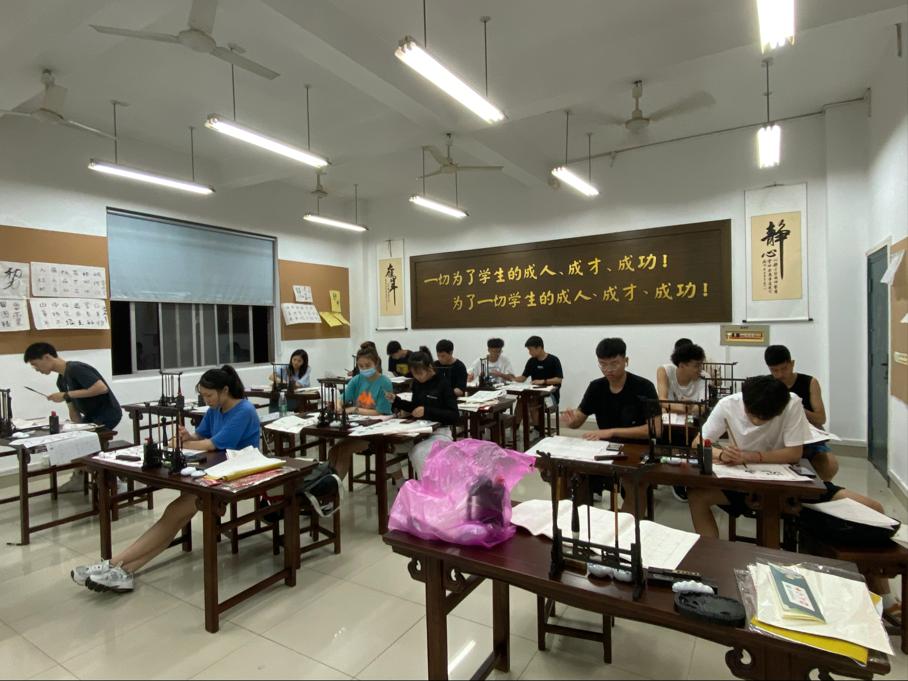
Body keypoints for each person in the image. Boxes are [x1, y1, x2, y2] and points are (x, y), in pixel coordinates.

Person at [688, 375, 900, 622]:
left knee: (873, 510)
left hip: (791, 484)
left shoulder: (791, 404)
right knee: (698, 495)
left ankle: (885, 598)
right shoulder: (729, 405)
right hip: (744, 483)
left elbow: (793, 453)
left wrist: (752, 456)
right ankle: (712, 564)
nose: (756, 421)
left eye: (764, 418)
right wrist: (722, 454)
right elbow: (698, 443)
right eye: (752, 414)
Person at [70, 365, 260, 593]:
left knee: (174, 513)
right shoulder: (215, 409)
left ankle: (112, 564)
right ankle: (124, 570)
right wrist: (187, 437)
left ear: (225, 390)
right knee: (175, 515)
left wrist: (183, 444)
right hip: (214, 471)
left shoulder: (244, 410)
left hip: (238, 475)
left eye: (209, 395)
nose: (206, 400)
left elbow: (212, 444)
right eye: (203, 395)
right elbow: (201, 436)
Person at [560, 338, 658, 507]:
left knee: (634, 485)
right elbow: (578, 421)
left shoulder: (644, 387)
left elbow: (655, 429)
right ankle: (580, 517)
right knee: (570, 475)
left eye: (614, 364)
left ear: (626, 361)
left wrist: (612, 432)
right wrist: (571, 421)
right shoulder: (596, 387)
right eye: (603, 364)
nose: (608, 370)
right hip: (603, 449)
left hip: (636, 449)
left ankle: (626, 524)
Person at [24, 342, 122, 493]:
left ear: (47, 357)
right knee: (72, 440)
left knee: (87, 443)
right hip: (90, 417)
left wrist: (66, 394)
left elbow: (101, 388)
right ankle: (79, 476)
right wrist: (75, 428)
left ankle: (112, 480)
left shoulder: (76, 368)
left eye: (35, 364)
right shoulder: (61, 381)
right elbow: (73, 410)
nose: (36, 369)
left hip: (107, 413)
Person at [764, 344, 838, 481]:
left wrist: (796, 408)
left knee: (830, 466)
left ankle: (819, 490)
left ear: (792, 364)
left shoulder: (809, 382)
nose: (780, 375)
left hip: (808, 437)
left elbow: (821, 419)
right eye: (774, 370)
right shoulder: (767, 385)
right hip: (777, 435)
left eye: (784, 368)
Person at [386, 351, 459, 476]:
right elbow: (415, 407)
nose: (418, 377)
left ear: (429, 367)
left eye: (420, 373)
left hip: (439, 433)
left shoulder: (443, 383)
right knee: (386, 449)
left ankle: (427, 486)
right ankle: (400, 484)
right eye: (414, 374)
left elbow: (453, 416)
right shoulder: (417, 383)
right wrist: (396, 401)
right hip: (418, 432)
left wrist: (427, 410)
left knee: (419, 453)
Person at [327, 346, 393, 480]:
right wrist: (339, 405)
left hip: (377, 431)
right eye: (361, 366)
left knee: (344, 449)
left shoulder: (385, 382)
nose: (364, 369)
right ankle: (330, 485)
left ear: (376, 363)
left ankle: (334, 488)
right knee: (333, 451)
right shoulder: (357, 379)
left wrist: (355, 409)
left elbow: (380, 412)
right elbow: (342, 398)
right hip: (358, 428)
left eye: (367, 365)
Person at [656, 341, 708, 408]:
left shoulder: (704, 377)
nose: (700, 369)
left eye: (701, 365)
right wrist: (686, 408)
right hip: (669, 415)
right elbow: (662, 401)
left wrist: (672, 407)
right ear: (682, 365)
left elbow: (703, 407)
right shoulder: (665, 371)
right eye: (696, 366)